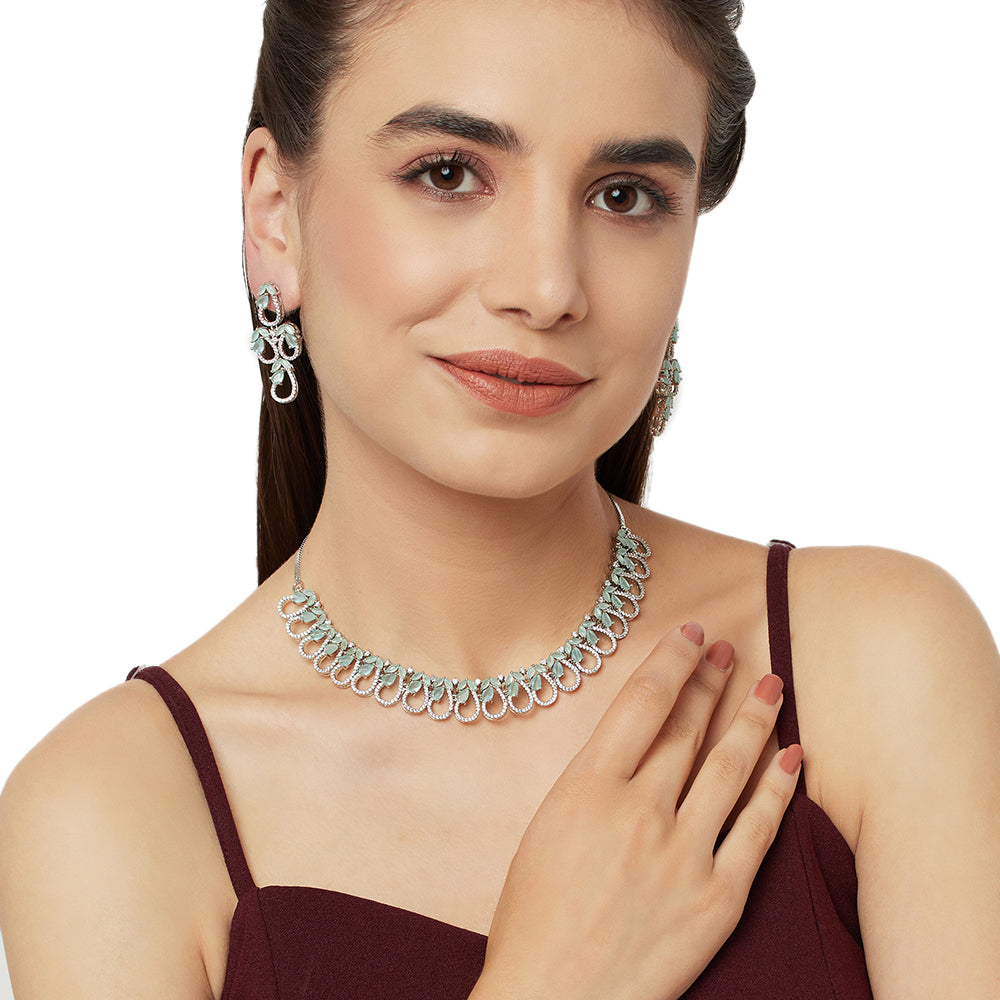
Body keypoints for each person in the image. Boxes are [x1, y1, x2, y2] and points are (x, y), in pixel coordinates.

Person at [1, 1, 998, 998]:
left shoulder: (877, 664)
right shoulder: (110, 811)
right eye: (448, 174)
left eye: (624, 195)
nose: (547, 285)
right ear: (273, 214)